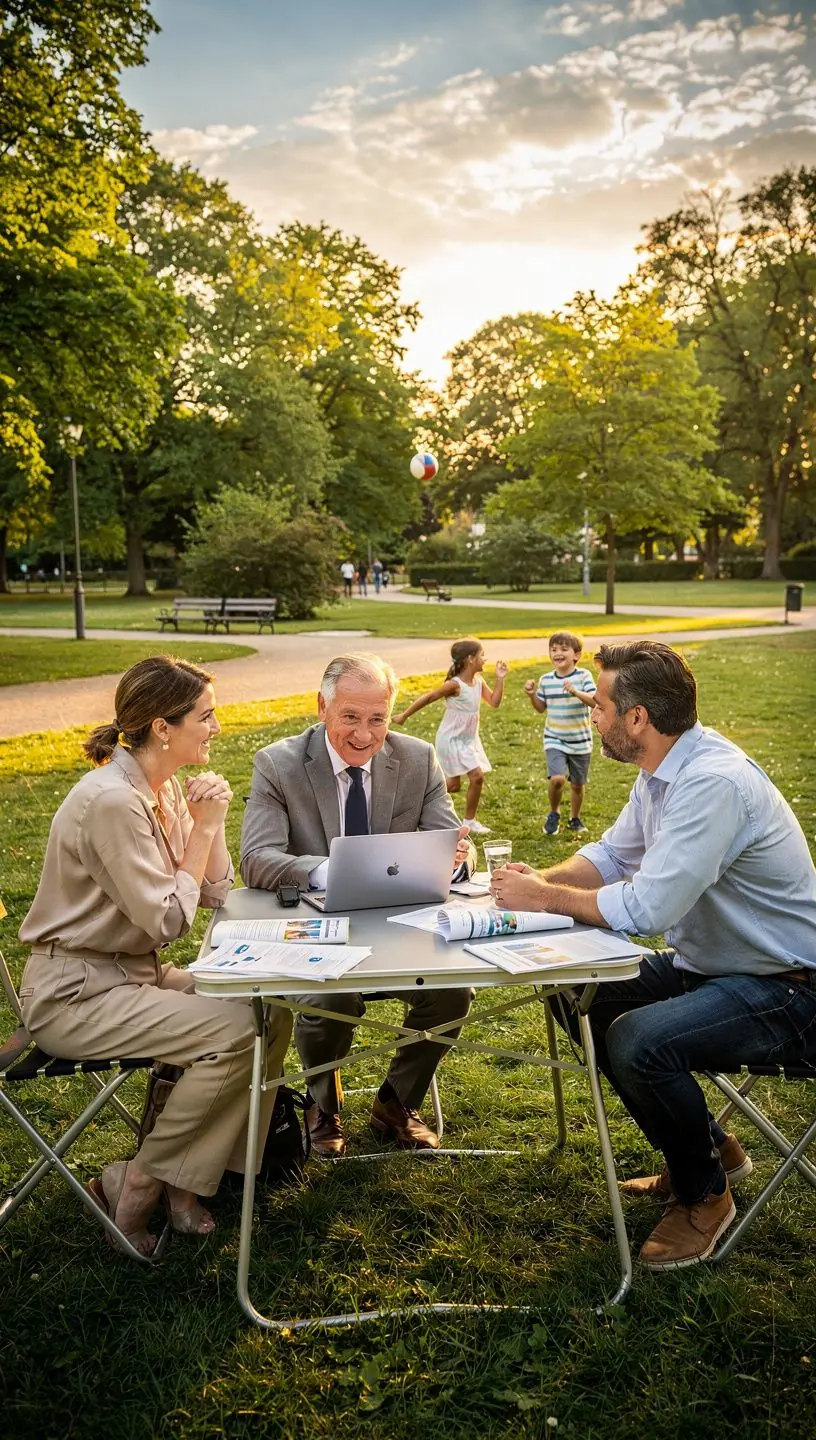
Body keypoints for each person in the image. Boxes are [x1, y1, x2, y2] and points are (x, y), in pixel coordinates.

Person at [490, 640, 816, 1271]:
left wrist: (545, 899)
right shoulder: (663, 770)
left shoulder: (712, 783)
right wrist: (535, 885)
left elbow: (646, 909)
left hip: (790, 987)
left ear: (637, 718)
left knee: (640, 1040)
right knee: (573, 986)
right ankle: (712, 1151)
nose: (593, 716)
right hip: (714, 968)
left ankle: (703, 1195)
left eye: (600, 705)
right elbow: (613, 855)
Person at [18, 656, 292, 1257]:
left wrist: (210, 823)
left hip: (131, 975)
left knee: (269, 1009)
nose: (217, 726)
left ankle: (190, 1178)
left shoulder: (162, 787)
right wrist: (203, 830)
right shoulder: (112, 801)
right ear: (163, 728)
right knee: (238, 1029)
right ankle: (144, 1180)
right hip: (76, 994)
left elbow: (214, 891)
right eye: (206, 715)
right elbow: (169, 918)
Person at [240, 653, 475, 1157]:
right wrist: (332, 871)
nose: (365, 735)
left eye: (378, 718)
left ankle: (396, 1101)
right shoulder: (278, 763)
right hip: (316, 932)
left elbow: (452, 838)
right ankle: (323, 1104)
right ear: (321, 706)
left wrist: (456, 859)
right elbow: (256, 859)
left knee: (454, 993)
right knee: (331, 999)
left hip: (401, 930)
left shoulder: (417, 758)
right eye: (350, 716)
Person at [392, 638, 507, 836]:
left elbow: (494, 702)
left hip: (468, 740)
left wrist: (500, 678)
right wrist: (404, 715)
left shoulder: (479, 682)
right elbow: (429, 697)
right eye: (482, 655)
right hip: (451, 740)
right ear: (470, 659)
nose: (485, 659)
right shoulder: (454, 685)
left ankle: (416, 797)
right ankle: (469, 822)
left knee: (453, 785)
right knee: (477, 777)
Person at [524, 631, 596, 836]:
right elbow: (540, 708)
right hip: (554, 738)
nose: (558, 653)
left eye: (564, 649)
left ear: (577, 655)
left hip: (580, 741)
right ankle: (554, 813)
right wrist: (532, 695)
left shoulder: (583, 676)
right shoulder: (546, 680)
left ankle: (575, 819)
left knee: (577, 785)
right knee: (557, 779)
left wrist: (576, 692)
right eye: (553, 649)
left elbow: (594, 701)